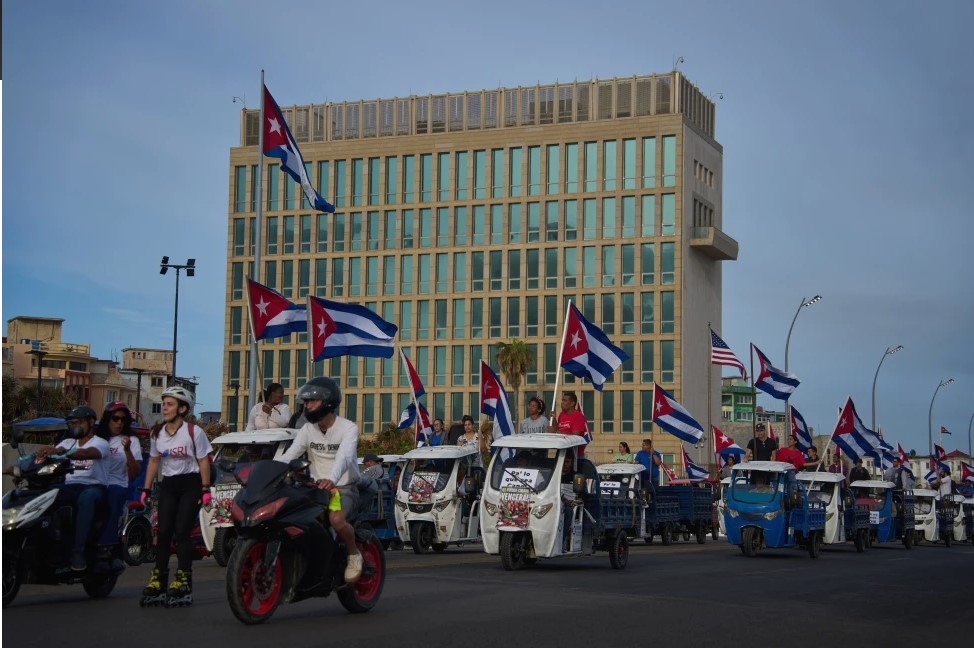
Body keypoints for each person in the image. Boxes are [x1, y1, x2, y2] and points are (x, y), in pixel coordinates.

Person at [279, 377, 364, 583]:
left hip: (343, 486)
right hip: (315, 488)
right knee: (295, 518)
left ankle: (353, 555)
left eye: (312, 401)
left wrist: (332, 479)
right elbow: (290, 455)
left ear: (327, 402)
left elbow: (344, 457)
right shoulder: (308, 430)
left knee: (336, 520)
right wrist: (270, 471)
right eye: (306, 401)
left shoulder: (348, 428)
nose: (307, 406)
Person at [140, 386, 213, 607]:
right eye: (164, 404)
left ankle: (183, 578)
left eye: (170, 404)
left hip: (191, 483)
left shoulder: (193, 432)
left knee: (182, 531)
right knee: (163, 531)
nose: (164, 408)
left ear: (182, 409)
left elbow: (203, 460)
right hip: (169, 484)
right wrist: (146, 489)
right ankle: (159, 578)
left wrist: (205, 489)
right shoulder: (157, 433)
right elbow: (154, 461)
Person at [34, 405, 109, 571]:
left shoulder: (101, 443)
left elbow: (89, 453)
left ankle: (78, 551)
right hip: (70, 486)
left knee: (86, 498)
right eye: (73, 423)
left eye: (79, 422)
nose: (75, 426)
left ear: (91, 422)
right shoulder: (68, 442)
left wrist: (66, 454)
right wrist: (46, 452)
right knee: (46, 495)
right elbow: (57, 450)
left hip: (93, 486)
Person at [97, 401, 142, 569]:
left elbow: (136, 470)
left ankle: (106, 545)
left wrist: (127, 450)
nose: (119, 423)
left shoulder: (131, 440)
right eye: (115, 418)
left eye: (123, 419)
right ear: (107, 419)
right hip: (95, 484)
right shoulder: (97, 439)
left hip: (116, 485)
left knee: (113, 497)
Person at [549, 392, 589, 456]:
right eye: (562, 400)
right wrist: (553, 419)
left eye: (564, 400)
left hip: (574, 455)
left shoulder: (578, 416)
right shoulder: (562, 414)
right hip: (561, 452)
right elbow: (558, 429)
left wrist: (556, 432)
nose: (562, 402)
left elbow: (575, 435)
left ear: (572, 403)